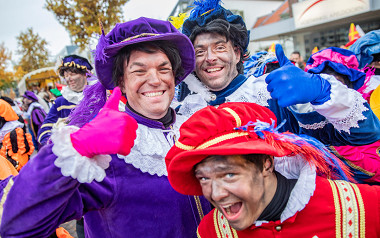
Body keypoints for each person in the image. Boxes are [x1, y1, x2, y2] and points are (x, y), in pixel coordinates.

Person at [0, 17, 210, 237]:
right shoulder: (102, 156)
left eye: (163, 69)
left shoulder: (194, 128)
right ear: (121, 82)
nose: (155, 80)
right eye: (139, 71)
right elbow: (15, 223)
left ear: (174, 76)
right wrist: (76, 147)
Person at [176, 0, 380, 148]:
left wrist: (321, 91)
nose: (210, 58)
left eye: (220, 47)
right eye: (200, 52)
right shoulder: (184, 107)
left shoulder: (271, 93)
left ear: (237, 54)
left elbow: (366, 134)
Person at [165, 102, 380, 237]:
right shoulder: (212, 231)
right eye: (204, 179)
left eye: (229, 174)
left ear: (266, 163)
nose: (216, 194)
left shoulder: (366, 206)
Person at [305, 47, 380, 184]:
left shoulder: (361, 116)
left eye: (336, 84)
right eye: (324, 84)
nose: (330, 91)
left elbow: (376, 170)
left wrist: (332, 149)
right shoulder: (307, 117)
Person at [37, 55, 93, 146]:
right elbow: (45, 128)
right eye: (66, 75)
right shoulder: (60, 102)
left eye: (72, 74)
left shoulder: (99, 96)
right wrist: (54, 143)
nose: (68, 79)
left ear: (85, 74)